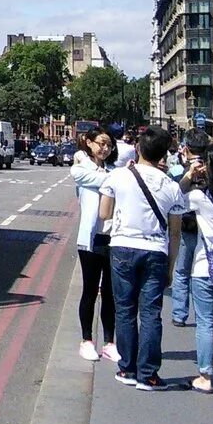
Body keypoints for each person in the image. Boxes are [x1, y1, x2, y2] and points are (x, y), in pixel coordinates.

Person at [100, 125, 196, 389]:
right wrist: (171, 266)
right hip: (156, 251)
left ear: (139, 149)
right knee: (151, 313)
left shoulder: (119, 176)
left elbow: (104, 213)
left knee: (125, 310)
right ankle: (149, 374)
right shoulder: (171, 187)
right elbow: (175, 233)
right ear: (163, 154)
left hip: (122, 247)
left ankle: (127, 369)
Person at [184, 147, 213, 393]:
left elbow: (173, 198)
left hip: (205, 266)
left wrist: (190, 175)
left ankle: (205, 377)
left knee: (205, 322)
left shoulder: (201, 198)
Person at [71, 128, 120, 362]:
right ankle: (87, 340)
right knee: (90, 290)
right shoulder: (80, 169)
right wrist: (117, 178)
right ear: (88, 143)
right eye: (100, 143)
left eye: (109, 145)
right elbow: (86, 177)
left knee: (111, 293)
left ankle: (110, 342)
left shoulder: (114, 170)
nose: (105, 148)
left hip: (113, 237)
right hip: (90, 239)